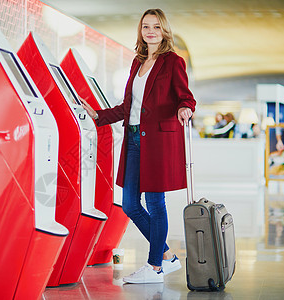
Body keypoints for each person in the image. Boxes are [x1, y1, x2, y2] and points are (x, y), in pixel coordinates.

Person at [81, 8, 196, 284]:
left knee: (156, 203)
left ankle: (154, 266)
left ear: (163, 30)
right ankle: (166, 256)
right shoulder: (137, 62)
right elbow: (127, 107)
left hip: (158, 141)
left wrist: (184, 109)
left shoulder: (173, 62)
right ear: (141, 31)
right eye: (146, 26)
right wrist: (99, 116)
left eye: (156, 26)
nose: (151, 31)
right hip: (133, 139)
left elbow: (186, 97)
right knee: (131, 204)